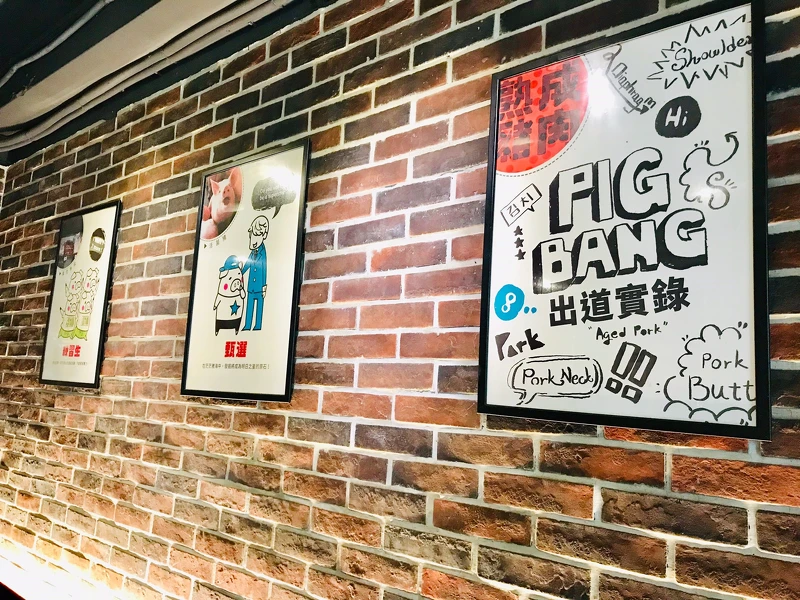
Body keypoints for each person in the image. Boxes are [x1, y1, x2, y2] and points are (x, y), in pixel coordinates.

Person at [241, 216, 269, 331]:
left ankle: (257, 325)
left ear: (263, 236)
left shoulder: (263, 253)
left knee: (259, 307)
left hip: (259, 286)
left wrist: (264, 286)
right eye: (253, 235)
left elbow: (264, 269)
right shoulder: (253, 252)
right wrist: (240, 272)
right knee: (249, 306)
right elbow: (247, 264)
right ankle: (247, 325)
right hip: (251, 286)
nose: (253, 240)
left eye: (257, 236)